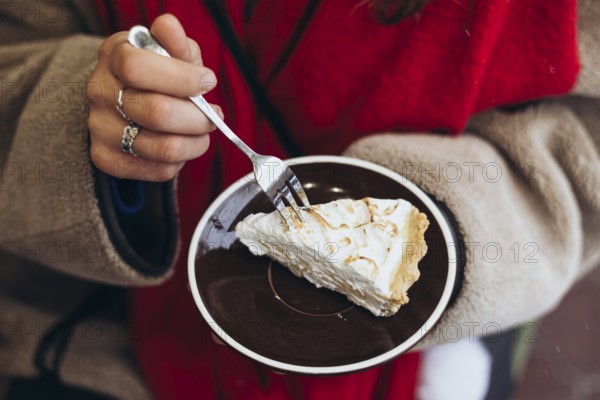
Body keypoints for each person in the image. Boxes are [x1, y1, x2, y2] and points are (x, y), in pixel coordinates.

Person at [1, 0, 599, 398]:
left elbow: (580, 151)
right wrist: (89, 114)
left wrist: (425, 231)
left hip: (426, 358)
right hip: (86, 342)